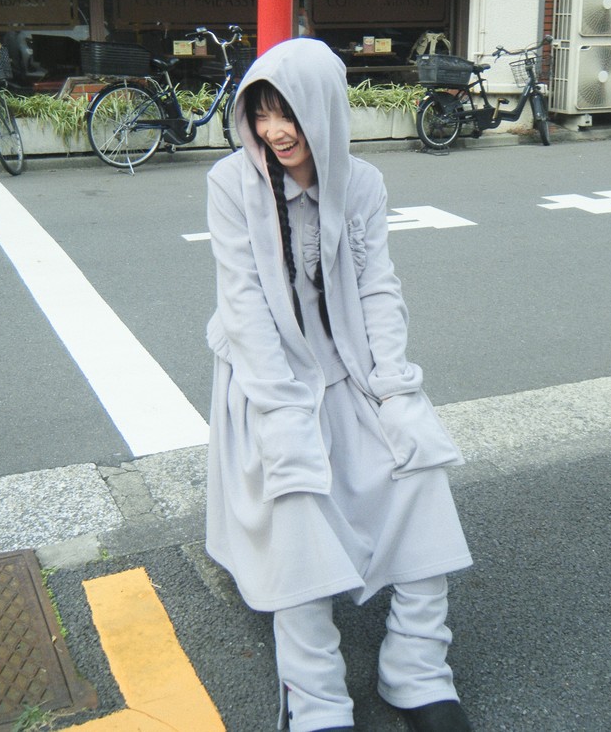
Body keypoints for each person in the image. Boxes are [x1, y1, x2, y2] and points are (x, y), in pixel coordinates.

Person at [205, 37, 473, 732]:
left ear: (322, 109)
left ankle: (418, 667)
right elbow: (245, 308)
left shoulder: (362, 183)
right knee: (295, 495)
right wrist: (281, 411)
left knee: (417, 465)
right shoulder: (231, 183)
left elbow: (378, 288)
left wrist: (395, 388)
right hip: (268, 377)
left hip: (348, 367)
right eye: (261, 113)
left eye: (288, 112)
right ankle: (315, 696)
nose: (275, 130)